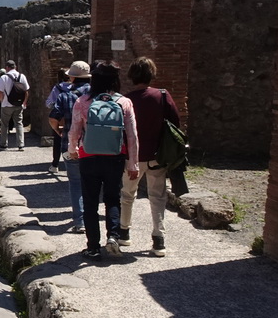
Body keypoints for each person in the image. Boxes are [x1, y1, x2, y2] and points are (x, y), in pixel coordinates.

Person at [66, 62, 139, 260]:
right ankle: (114, 237)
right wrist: (133, 164)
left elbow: (74, 131)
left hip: (88, 157)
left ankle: (93, 247)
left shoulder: (83, 101)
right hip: (115, 157)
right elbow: (132, 136)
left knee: (90, 202)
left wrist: (72, 151)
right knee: (112, 198)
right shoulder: (124, 102)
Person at [118, 57, 180, 257]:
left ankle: (124, 233)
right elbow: (175, 124)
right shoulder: (162, 96)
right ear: (151, 74)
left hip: (132, 157)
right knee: (158, 196)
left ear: (132, 75)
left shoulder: (125, 100)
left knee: (127, 195)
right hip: (157, 155)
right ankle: (158, 239)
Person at [49, 61, 92, 233]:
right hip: (95, 147)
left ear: (71, 76)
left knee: (75, 183)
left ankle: (80, 221)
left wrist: (59, 131)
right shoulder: (99, 95)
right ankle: (92, 218)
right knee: (92, 182)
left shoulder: (65, 95)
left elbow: (53, 118)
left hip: (70, 146)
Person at [0, 60, 29, 150]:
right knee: (19, 124)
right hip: (18, 104)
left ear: (7, 67)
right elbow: (26, 91)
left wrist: (2, 101)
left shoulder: (4, 77)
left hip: (6, 104)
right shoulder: (22, 76)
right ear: (15, 67)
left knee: (4, 124)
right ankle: (21, 144)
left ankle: (3, 143)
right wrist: (24, 102)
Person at [45, 68, 72, 173]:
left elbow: (49, 102)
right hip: (75, 118)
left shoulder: (57, 88)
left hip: (61, 119)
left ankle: (55, 164)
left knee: (58, 141)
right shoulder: (78, 88)